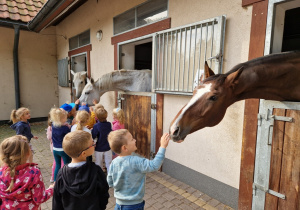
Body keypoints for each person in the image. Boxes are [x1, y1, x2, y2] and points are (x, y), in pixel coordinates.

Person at [107, 129, 170, 210]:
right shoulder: (137, 162)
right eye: (132, 139)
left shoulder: (113, 162)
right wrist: (163, 146)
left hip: (119, 205)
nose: (135, 140)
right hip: (134, 206)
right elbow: (154, 165)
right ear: (125, 148)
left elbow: (110, 183)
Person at [52, 130, 109, 210]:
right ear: (84, 153)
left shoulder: (61, 174)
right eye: (92, 144)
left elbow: (57, 201)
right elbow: (104, 194)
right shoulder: (97, 171)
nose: (94, 144)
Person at [0, 135, 54, 209]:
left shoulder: (1, 172)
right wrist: (52, 189)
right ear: (28, 153)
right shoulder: (34, 173)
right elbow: (39, 199)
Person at [50, 107, 71, 181]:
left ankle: (55, 181)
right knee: (66, 166)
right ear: (62, 119)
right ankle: (67, 180)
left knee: (58, 165)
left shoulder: (53, 125)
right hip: (63, 150)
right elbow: (69, 136)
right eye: (65, 117)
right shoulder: (65, 128)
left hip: (55, 149)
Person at [92, 108, 112, 172]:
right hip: (107, 147)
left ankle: (100, 178)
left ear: (96, 117)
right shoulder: (109, 124)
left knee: (98, 163)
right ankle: (110, 178)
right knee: (109, 163)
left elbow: (93, 135)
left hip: (99, 148)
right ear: (106, 115)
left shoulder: (96, 126)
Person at [46, 113, 63, 183]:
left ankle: (53, 177)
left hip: (53, 147)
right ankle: (62, 178)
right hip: (61, 147)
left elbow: (49, 137)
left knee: (56, 162)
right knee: (62, 163)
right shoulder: (62, 127)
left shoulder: (50, 127)